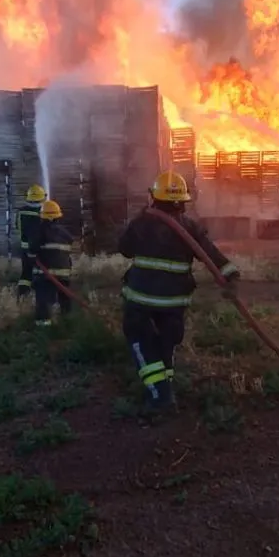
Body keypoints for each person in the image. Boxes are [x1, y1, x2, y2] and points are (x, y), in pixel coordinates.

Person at [118, 171, 239, 413]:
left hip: (141, 301)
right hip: (174, 302)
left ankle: (160, 396)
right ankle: (166, 385)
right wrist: (231, 277)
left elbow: (124, 249)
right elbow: (212, 255)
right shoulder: (190, 227)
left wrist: (140, 218)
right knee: (166, 341)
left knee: (140, 339)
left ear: (154, 197)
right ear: (183, 201)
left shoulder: (142, 224)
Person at [29, 199, 75, 326]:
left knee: (43, 301)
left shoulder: (41, 231)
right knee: (65, 299)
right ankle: (68, 324)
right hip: (64, 274)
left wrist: (31, 257)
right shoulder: (65, 233)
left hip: (45, 275)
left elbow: (32, 249)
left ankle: (43, 326)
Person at [15, 184, 46, 299]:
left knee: (26, 272)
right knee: (40, 271)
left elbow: (18, 227)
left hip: (24, 247)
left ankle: (22, 296)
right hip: (39, 248)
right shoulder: (43, 213)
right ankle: (40, 296)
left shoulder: (20, 212)